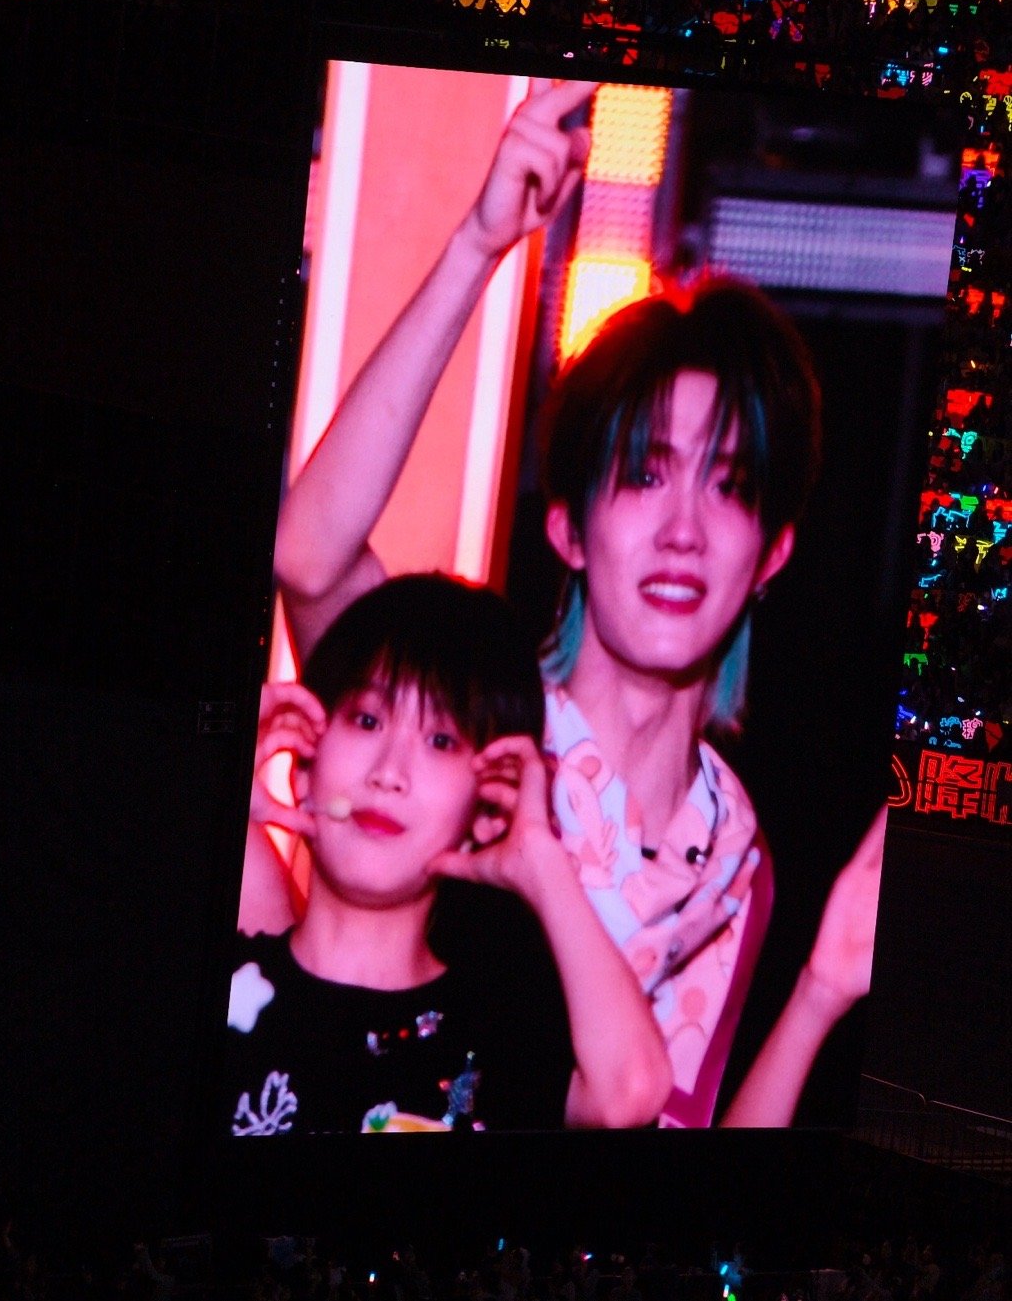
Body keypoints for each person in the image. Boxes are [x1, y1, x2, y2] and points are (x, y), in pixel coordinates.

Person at [268, 78, 884, 1127]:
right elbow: (310, 555)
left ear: (772, 553)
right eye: (644, 474)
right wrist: (477, 245)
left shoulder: (734, 852)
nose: (684, 528)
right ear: (567, 527)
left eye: (729, 486)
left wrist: (824, 992)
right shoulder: (470, 725)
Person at [227, 573, 671, 1133]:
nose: (389, 773)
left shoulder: (494, 1039)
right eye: (367, 720)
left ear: (486, 807)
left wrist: (541, 860)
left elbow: (630, 1093)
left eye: (440, 741)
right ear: (303, 763)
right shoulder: (230, 982)